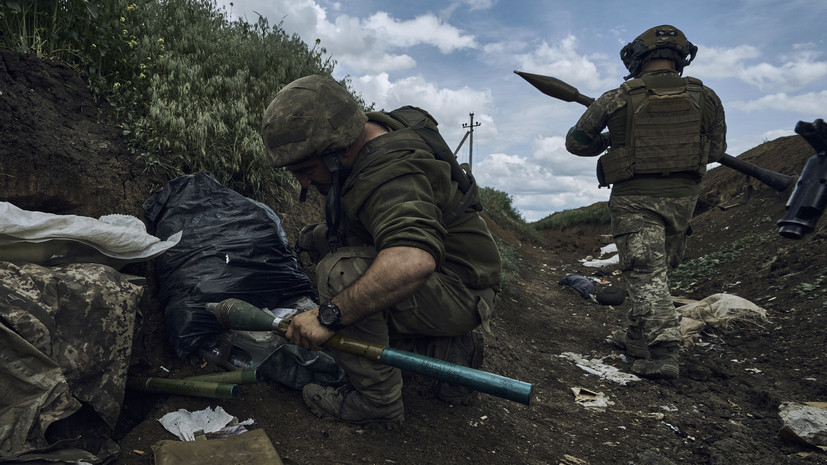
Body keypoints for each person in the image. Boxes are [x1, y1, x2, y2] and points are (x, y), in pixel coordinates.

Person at [260, 75, 502, 426]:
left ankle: (377, 403)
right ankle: (451, 352)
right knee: (329, 251)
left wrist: (328, 315)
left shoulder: (391, 174)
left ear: (340, 149)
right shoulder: (365, 130)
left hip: (461, 289)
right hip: (456, 274)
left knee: (339, 275)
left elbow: (412, 259)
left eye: (306, 170)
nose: (303, 183)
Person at [565, 25, 726, 379]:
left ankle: (663, 353)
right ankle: (637, 338)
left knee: (645, 272)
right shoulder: (707, 97)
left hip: (635, 199)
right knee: (654, 273)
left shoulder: (616, 98)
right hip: (683, 199)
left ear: (638, 57)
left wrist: (609, 140)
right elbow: (715, 150)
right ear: (680, 57)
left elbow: (576, 142)